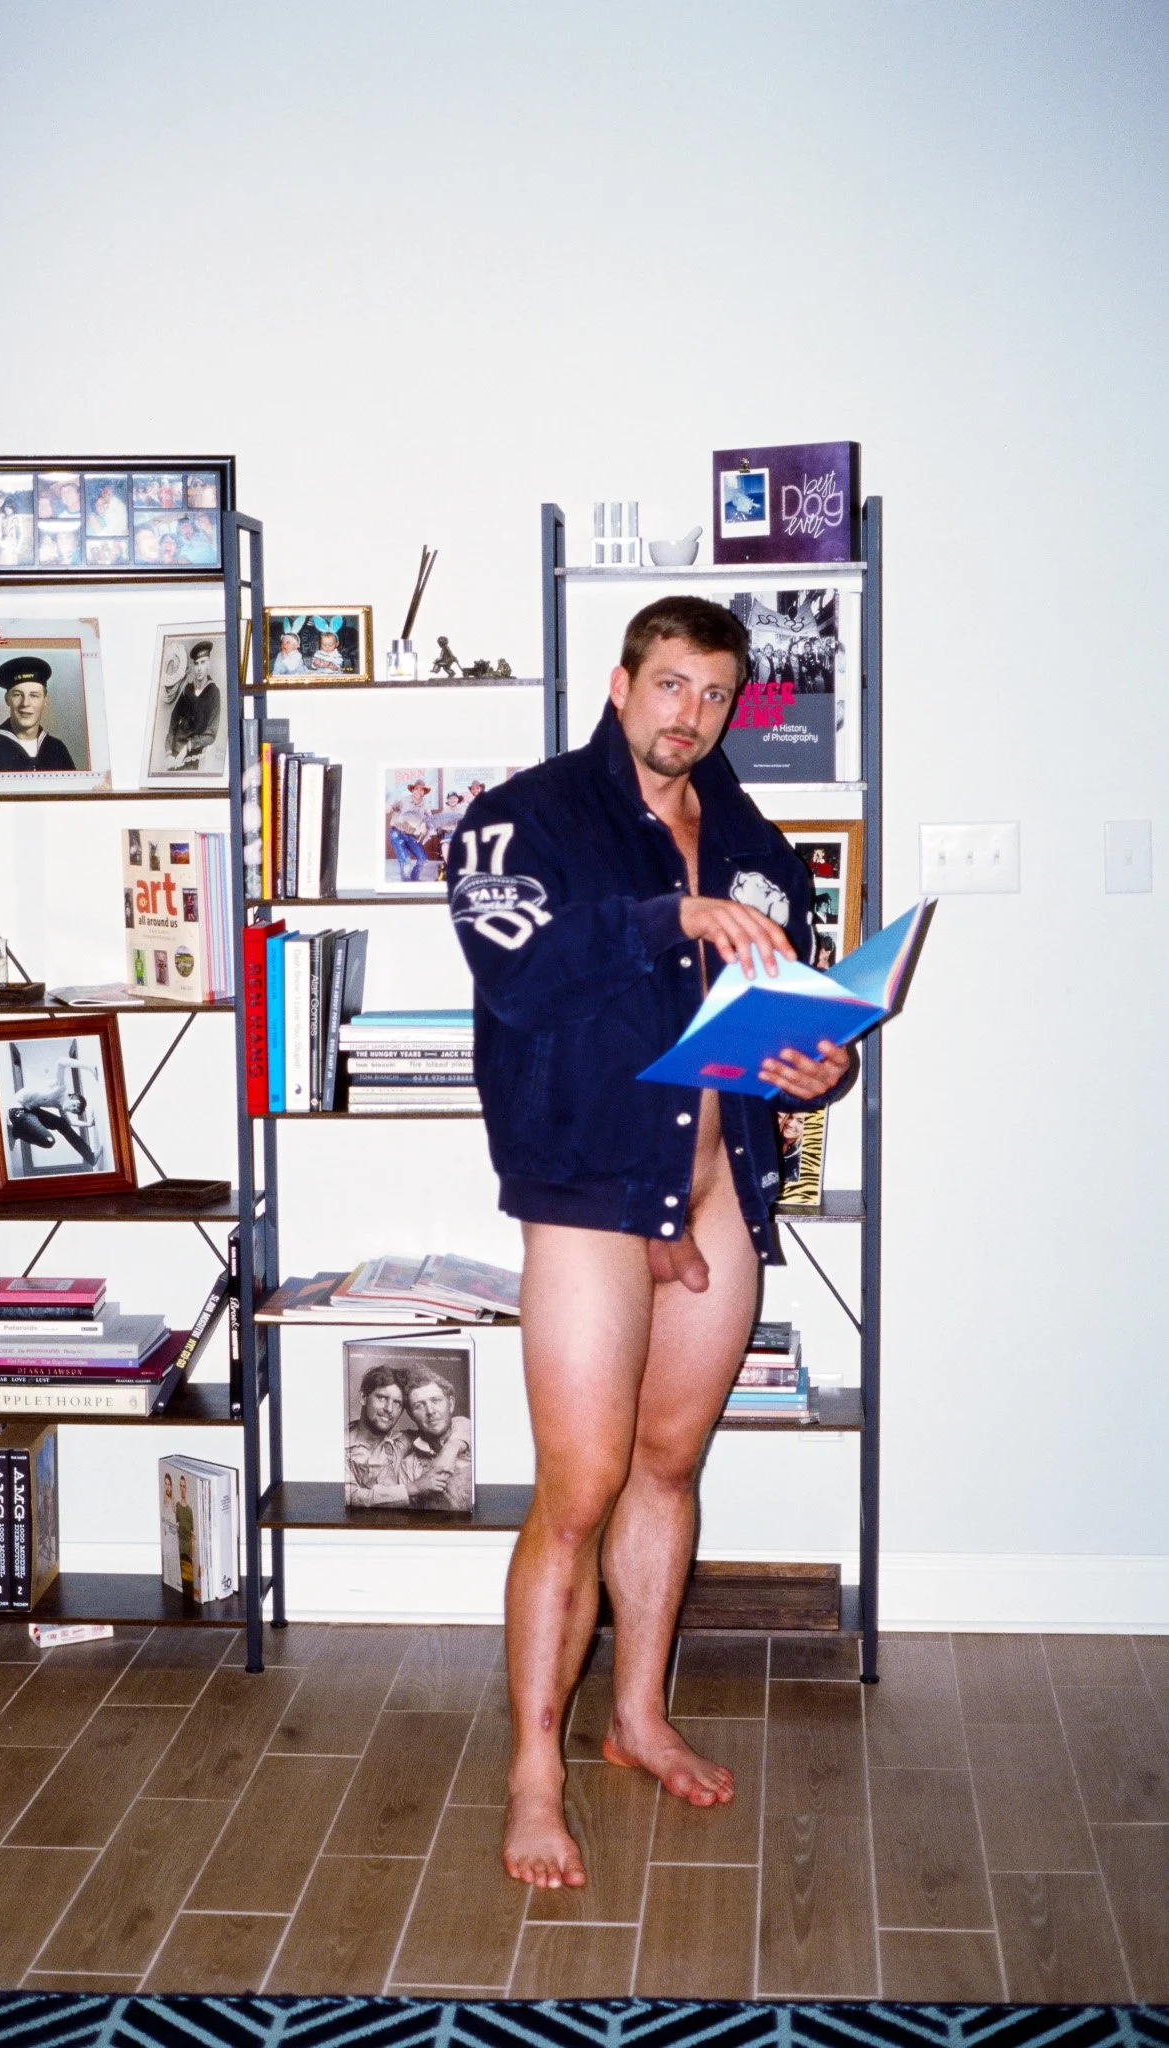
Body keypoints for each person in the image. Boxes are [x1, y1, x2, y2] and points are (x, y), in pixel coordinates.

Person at [447, 594, 854, 1890]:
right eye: (670, 685)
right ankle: (530, 1772)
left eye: (715, 694)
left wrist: (814, 1065)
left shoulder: (753, 845)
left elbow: (791, 1016)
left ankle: (634, 1719)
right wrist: (662, 920)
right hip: (586, 1189)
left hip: (718, 1185)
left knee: (666, 1469)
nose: (692, 715)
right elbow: (517, 968)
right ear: (621, 684)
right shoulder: (525, 815)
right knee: (575, 1491)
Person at [0, 655, 77, 772]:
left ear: (45, 701)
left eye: (34, 695)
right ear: (7, 699)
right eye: (17, 694)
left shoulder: (57, 749)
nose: (25, 703)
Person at [399, 1366, 473, 1510]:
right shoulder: (408, 1466)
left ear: (450, 1404)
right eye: (419, 1405)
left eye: (436, 1400)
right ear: (411, 1415)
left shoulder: (476, 1437)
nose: (430, 1411)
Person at [345, 1365, 414, 1506]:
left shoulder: (402, 1442)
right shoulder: (337, 1444)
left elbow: (454, 1426)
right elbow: (348, 1497)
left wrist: (453, 1446)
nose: (389, 1409)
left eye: (397, 1403)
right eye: (382, 1398)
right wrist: (414, 1488)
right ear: (363, 1397)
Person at [165, 639, 221, 768]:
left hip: (191, 756)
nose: (199, 668)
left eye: (203, 662)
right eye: (196, 664)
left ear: (209, 664)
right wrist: (168, 752)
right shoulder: (187, 689)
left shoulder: (214, 692)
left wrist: (187, 748)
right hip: (174, 754)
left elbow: (211, 734)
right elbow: (173, 721)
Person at [388, 778, 436, 881]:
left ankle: (414, 880)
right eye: (416, 789)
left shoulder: (425, 807)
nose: (419, 791)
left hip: (411, 835)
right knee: (406, 861)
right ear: (413, 790)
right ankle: (406, 883)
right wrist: (388, 807)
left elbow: (430, 821)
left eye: (421, 789)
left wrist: (425, 824)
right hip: (397, 833)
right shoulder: (403, 800)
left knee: (423, 859)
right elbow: (390, 808)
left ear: (424, 792)